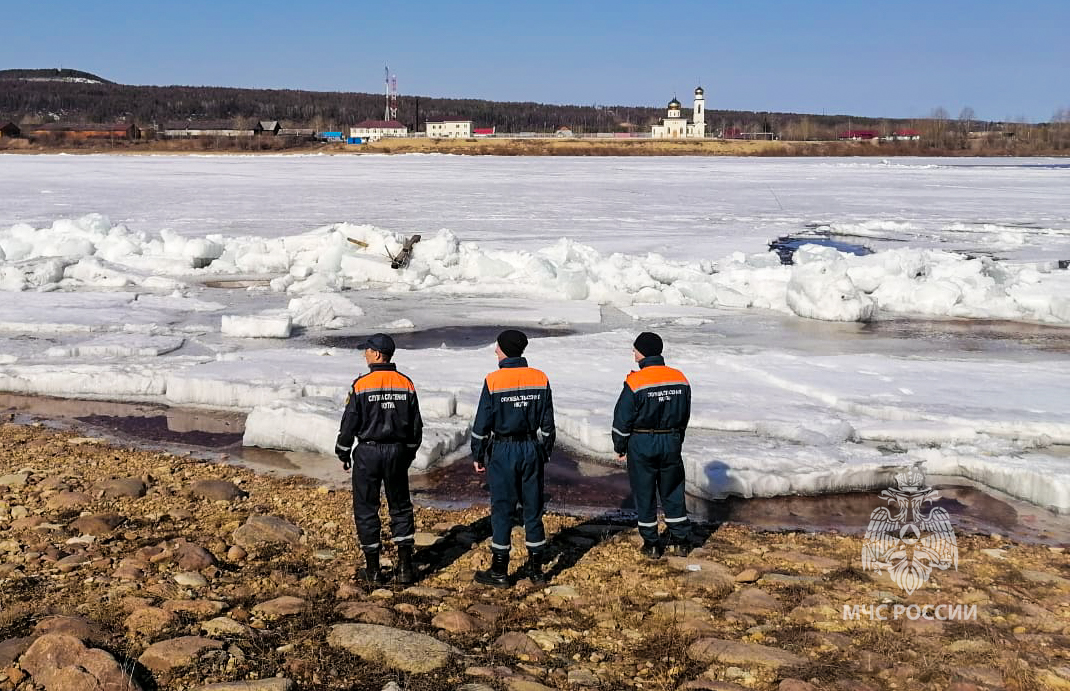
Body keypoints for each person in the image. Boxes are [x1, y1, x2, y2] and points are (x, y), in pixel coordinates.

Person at [335, 333, 423, 586]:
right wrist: (407, 453)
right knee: (400, 506)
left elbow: (349, 423)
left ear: (376, 354)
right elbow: (416, 427)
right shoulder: (405, 383)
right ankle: (405, 568)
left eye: (367, 350)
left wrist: (343, 451)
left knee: (366, 508)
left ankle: (373, 570)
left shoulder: (362, 385)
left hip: (368, 452)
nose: (364, 354)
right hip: (396, 451)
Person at [470, 329, 556, 587]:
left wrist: (478, 453)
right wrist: (545, 451)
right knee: (533, 508)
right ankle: (536, 570)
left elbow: (482, 422)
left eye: (497, 347)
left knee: (503, 510)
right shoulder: (540, 378)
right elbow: (548, 424)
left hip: (504, 451)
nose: (495, 351)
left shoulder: (494, 380)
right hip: (531, 448)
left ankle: (499, 571)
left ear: (505, 349)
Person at [611, 332, 692, 558]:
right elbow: (684, 414)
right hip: (671, 440)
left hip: (643, 441)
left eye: (635, 349)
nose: (633, 352)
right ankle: (681, 540)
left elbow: (622, 418)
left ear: (643, 352)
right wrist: (677, 439)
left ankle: (652, 544)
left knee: (644, 492)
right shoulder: (679, 378)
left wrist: (620, 446)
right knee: (673, 489)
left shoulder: (636, 381)